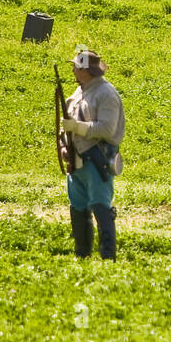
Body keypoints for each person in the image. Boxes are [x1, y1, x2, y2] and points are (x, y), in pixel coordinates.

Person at [58, 49, 125, 260]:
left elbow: (106, 129)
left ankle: (107, 257)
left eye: (76, 67)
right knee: (78, 208)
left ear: (85, 70)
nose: (73, 70)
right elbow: (64, 127)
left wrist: (76, 127)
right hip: (76, 161)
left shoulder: (106, 94)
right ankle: (82, 255)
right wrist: (63, 146)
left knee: (100, 206)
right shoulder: (79, 92)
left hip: (97, 160)